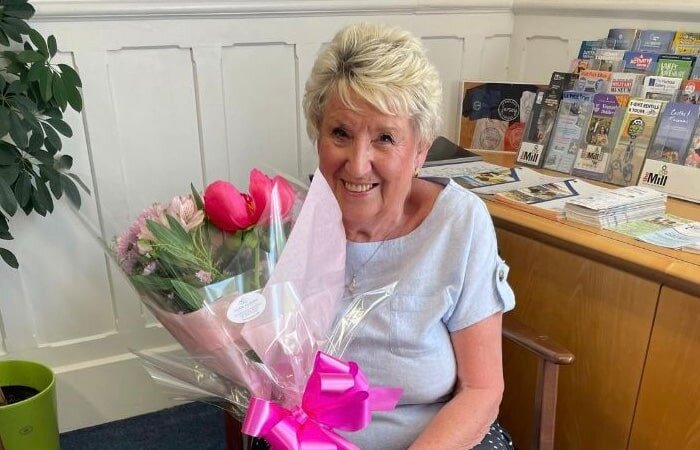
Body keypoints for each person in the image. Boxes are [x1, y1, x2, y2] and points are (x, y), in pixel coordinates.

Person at [301, 23, 516, 449]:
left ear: (420, 151)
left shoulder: (459, 223)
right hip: (309, 437)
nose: (358, 165)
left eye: (385, 138)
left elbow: (482, 389)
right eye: (340, 133)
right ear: (318, 134)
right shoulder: (284, 222)